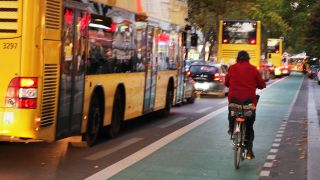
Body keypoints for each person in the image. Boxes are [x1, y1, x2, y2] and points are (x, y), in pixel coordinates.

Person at [225, 50, 266, 159]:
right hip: (249, 104)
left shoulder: (232, 68)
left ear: (237, 58)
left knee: (232, 114)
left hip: (234, 102)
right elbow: (261, 84)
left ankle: (231, 128)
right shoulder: (253, 69)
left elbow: (226, 83)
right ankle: (249, 151)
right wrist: (260, 85)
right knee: (249, 125)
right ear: (248, 59)